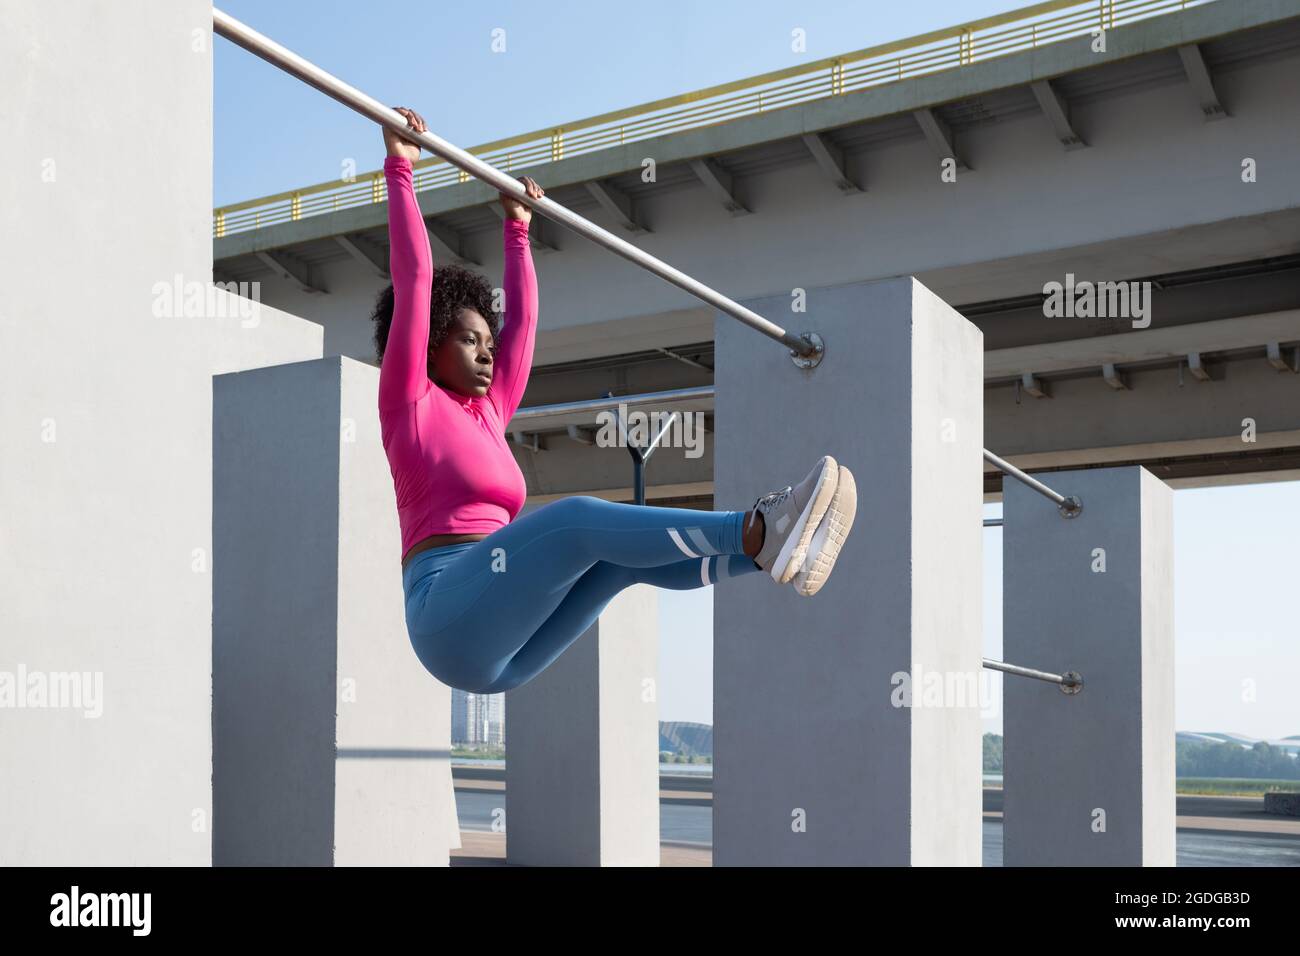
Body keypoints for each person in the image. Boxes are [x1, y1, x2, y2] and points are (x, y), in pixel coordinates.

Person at [372, 107, 857, 694]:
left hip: (504, 649)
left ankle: (758, 554)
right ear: (427, 343)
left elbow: (522, 326)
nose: (487, 354)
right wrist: (401, 166)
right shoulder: (410, 404)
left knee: (617, 562)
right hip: (446, 615)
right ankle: (753, 526)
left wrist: (518, 229)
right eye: (467, 340)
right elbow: (416, 279)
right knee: (577, 520)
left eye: (487, 343)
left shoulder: (489, 415)